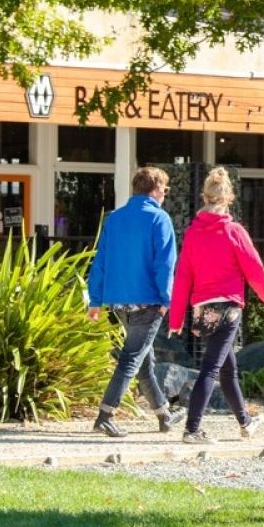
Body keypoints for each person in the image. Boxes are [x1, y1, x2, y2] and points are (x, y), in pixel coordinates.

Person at [168, 167, 264, 444]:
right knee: (211, 369)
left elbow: (182, 275)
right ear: (229, 198)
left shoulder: (193, 233)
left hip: (203, 309)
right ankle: (192, 430)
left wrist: (175, 318)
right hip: (228, 307)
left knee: (227, 367)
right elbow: (254, 269)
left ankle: (245, 421)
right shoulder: (234, 231)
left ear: (204, 197)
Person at [87, 166, 184, 437]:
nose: (164, 195)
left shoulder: (115, 219)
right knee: (132, 358)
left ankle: (164, 415)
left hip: (119, 302)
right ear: (155, 190)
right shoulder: (159, 219)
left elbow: (101, 261)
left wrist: (95, 299)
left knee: (143, 359)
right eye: (164, 190)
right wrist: (168, 300)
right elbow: (164, 265)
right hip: (148, 301)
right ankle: (105, 414)